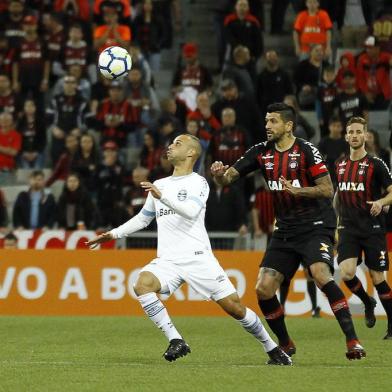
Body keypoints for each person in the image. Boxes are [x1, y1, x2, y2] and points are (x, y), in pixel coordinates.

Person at [86, 133, 291, 366]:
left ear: (191, 153)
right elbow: (143, 219)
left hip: (197, 258)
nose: (170, 146)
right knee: (141, 285)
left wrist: (162, 197)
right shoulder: (160, 184)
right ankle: (176, 340)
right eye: (171, 142)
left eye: (177, 143)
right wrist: (113, 234)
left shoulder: (198, 182)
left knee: (235, 308)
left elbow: (191, 211)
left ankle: (272, 348)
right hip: (168, 260)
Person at [210, 102, 365, 360]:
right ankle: (285, 343)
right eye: (267, 121)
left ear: (288, 125)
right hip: (285, 229)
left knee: (320, 274)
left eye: (273, 121)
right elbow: (228, 178)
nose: (267, 126)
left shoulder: (307, 150)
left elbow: (327, 189)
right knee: (263, 289)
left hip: (315, 225)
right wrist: (218, 175)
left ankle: (353, 341)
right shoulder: (261, 152)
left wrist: (298, 190)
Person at [334, 116, 392, 339]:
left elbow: (390, 192)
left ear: (365, 135)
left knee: (378, 278)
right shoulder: (339, 165)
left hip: (373, 228)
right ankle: (367, 301)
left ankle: (391, 324)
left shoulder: (376, 164)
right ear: (346, 136)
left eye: (359, 132)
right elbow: (338, 196)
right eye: (351, 132)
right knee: (347, 273)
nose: (355, 135)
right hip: (348, 227)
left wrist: (381, 202)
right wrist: (335, 223)